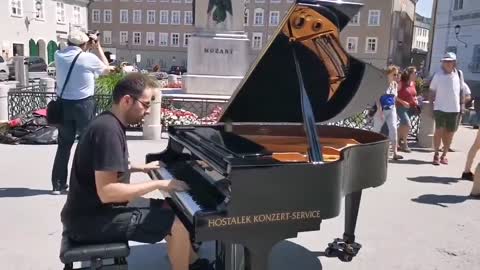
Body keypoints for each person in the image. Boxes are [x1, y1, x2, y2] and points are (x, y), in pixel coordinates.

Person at [60, 73, 212, 270]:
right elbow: (107, 193)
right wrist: (159, 183)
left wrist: (139, 167)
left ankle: (191, 261)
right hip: (91, 221)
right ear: (127, 100)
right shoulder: (108, 132)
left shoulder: (107, 122)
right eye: (146, 104)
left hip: (90, 212)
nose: (148, 111)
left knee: (172, 208)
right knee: (178, 223)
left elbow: (103, 167)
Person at [51, 30, 111, 194]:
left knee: (64, 146)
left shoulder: (58, 55)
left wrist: (86, 46)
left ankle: (58, 185)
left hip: (63, 105)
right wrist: (98, 47)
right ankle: (84, 185)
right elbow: (107, 69)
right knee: (87, 146)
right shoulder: (88, 58)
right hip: (83, 105)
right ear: (85, 44)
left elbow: (74, 55)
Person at [429, 52, 466, 166]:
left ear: (454, 63)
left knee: (449, 134)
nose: (447, 63)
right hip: (440, 108)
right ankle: (436, 154)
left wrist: (462, 105)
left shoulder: (459, 74)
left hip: (454, 109)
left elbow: (462, 91)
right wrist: (431, 106)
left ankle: (444, 155)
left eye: (449, 61)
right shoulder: (438, 75)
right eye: (445, 61)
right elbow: (431, 91)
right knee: (438, 131)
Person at [373, 65, 403, 160]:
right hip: (381, 109)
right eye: (394, 74)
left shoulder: (394, 84)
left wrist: (395, 112)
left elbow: (394, 98)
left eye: (397, 74)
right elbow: (377, 97)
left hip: (391, 109)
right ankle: (370, 149)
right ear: (388, 74)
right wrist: (379, 110)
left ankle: (395, 153)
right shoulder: (382, 84)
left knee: (393, 129)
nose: (396, 76)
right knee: (376, 129)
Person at [396, 66, 419, 153]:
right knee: (408, 124)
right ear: (409, 74)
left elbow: (413, 94)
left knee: (403, 125)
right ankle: (404, 144)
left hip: (410, 108)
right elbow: (394, 95)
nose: (416, 74)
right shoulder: (401, 83)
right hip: (400, 107)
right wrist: (403, 102)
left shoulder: (413, 83)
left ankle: (397, 142)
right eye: (415, 73)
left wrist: (416, 99)